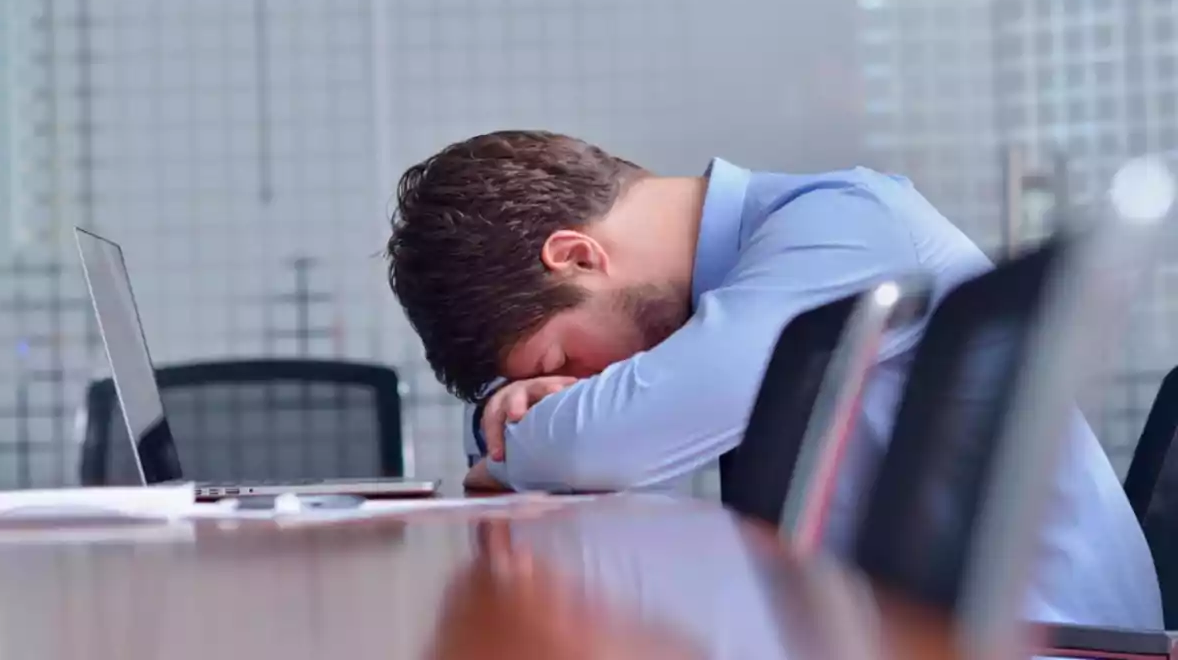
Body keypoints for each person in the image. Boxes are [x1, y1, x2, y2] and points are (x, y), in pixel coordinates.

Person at [385, 130, 1162, 629]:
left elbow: (606, 449)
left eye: (562, 364)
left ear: (578, 257)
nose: (586, 385)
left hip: (1040, 638)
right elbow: (570, 439)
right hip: (905, 630)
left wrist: (529, 434)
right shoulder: (742, 276)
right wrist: (506, 407)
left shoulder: (839, 223)